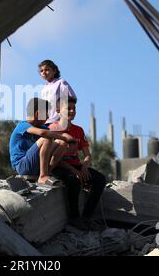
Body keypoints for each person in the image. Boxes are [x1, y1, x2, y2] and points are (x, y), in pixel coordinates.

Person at [49, 97, 106, 228]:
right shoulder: (53, 129)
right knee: (74, 181)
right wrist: (75, 171)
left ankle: (87, 216)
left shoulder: (78, 130)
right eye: (68, 108)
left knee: (100, 179)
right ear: (58, 110)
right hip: (59, 166)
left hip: (76, 165)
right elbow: (55, 158)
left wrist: (84, 168)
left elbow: (87, 155)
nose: (72, 111)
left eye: (74, 109)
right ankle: (74, 218)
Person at [9, 98, 76, 185]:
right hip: (22, 165)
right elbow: (43, 133)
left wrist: (68, 139)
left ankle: (47, 173)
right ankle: (43, 176)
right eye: (46, 113)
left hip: (34, 165)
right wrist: (64, 137)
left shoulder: (42, 127)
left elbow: (60, 136)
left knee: (61, 143)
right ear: (38, 113)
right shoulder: (23, 125)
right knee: (46, 139)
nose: (48, 117)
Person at [39, 60, 77, 125]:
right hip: (46, 122)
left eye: (46, 70)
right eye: (41, 71)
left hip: (58, 121)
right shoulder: (44, 88)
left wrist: (64, 113)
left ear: (54, 71)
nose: (44, 72)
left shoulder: (61, 82)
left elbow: (73, 98)